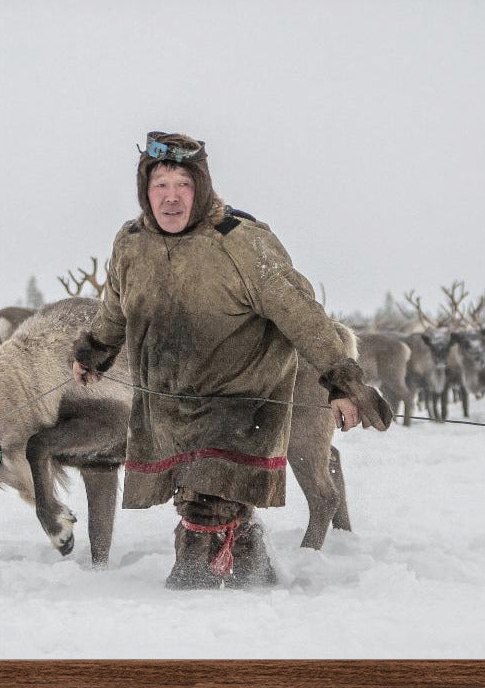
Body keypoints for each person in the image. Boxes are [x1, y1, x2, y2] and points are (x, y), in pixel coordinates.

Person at [72, 131, 392, 589]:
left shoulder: (242, 243)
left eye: (183, 184)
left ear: (200, 187)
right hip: (168, 409)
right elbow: (115, 311)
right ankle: (251, 570)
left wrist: (343, 384)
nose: (171, 197)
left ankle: (193, 600)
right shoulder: (131, 244)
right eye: (160, 184)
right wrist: (96, 352)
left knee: (208, 509)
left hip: (242, 407)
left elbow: (302, 316)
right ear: (145, 190)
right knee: (200, 501)